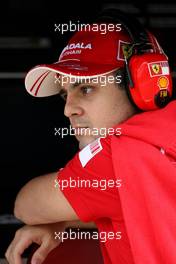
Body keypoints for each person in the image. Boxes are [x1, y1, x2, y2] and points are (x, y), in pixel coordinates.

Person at [5, 9, 176, 264]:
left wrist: (59, 218)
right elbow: (135, 206)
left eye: (86, 88)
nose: (68, 109)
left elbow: (27, 205)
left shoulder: (121, 154)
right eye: (65, 94)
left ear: (141, 86)